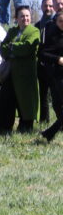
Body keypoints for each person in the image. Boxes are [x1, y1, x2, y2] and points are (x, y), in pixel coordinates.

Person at [0, 5, 40, 134]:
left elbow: (27, 48)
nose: (25, 18)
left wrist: (12, 47)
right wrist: (13, 48)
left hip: (26, 75)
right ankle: (3, 129)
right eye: (22, 16)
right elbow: (3, 48)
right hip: (11, 74)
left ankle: (26, 128)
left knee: (26, 103)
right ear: (16, 18)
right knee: (6, 102)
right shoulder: (12, 31)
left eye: (27, 16)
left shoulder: (34, 31)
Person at [39, 10, 63, 141]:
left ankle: (51, 132)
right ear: (56, 22)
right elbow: (42, 54)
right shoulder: (52, 35)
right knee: (57, 104)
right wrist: (58, 59)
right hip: (57, 75)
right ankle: (51, 132)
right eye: (60, 21)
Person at [36, 0, 56, 123]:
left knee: (56, 95)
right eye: (45, 6)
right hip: (41, 64)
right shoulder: (38, 25)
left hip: (54, 64)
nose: (47, 8)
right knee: (42, 95)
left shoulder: (57, 24)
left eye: (50, 6)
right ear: (41, 7)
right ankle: (44, 120)